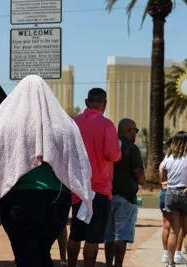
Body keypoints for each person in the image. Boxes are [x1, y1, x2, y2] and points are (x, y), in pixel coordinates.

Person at [0, 75, 93, 267]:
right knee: (42, 252)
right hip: (58, 201)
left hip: (19, 199)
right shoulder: (65, 125)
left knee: (25, 255)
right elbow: (79, 161)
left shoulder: (6, 124)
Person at [68, 88, 121, 267]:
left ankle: (72, 264)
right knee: (93, 235)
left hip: (77, 188)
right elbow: (112, 154)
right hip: (99, 189)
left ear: (86, 102)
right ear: (104, 104)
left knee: (75, 233)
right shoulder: (107, 125)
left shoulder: (73, 123)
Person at [104, 118, 146, 267]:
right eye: (135, 130)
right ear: (130, 131)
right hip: (126, 198)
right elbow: (139, 173)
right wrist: (143, 180)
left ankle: (108, 264)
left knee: (108, 236)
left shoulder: (109, 145)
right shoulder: (131, 148)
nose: (135, 134)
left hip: (107, 196)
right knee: (120, 236)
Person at [160, 131, 187, 267]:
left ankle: (170, 262)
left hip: (171, 192)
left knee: (173, 230)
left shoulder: (169, 156)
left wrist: (164, 181)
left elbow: (162, 169)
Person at [159, 138, 187, 264]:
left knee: (166, 225)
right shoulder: (179, 158)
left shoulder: (166, 159)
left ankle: (166, 253)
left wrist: (164, 181)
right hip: (175, 190)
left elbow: (161, 170)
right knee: (179, 225)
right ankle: (177, 253)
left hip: (165, 191)